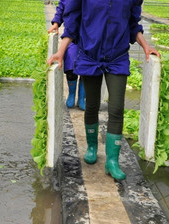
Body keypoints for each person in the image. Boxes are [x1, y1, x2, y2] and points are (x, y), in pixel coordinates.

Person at [47, 0, 158, 181]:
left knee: (116, 108)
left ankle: (112, 161)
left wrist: (146, 46)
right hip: (90, 54)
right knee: (92, 105)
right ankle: (92, 147)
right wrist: (61, 51)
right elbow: (73, 21)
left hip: (118, 57)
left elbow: (133, 23)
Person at [47, 0, 84, 110]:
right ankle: (71, 94)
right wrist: (56, 23)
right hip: (71, 38)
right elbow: (61, 7)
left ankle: (82, 98)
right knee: (70, 67)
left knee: (87, 69)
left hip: (89, 37)